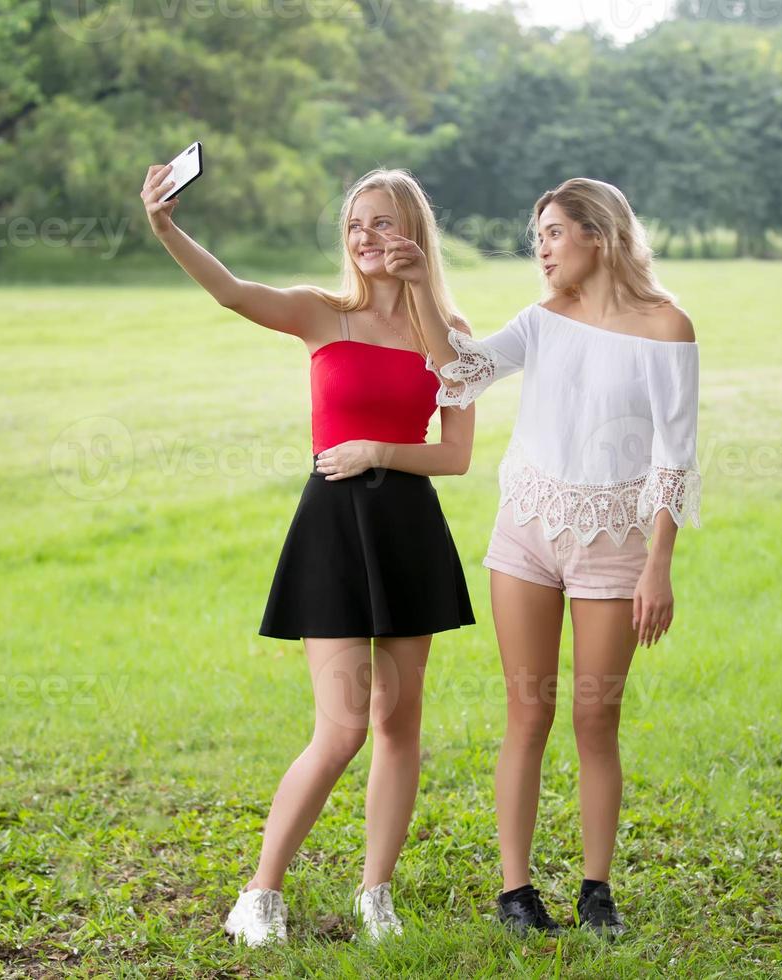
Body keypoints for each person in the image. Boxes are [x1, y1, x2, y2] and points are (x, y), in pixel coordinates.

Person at [139, 164, 476, 946]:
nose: (366, 236)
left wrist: (377, 451)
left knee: (400, 724)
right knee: (343, 726)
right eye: (356, 223)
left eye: (384, 222)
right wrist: (164, 226)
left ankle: (375, 894)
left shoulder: (450, 335)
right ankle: (259, 894)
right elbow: (230, 290)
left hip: (406, 530)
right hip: (331, 529)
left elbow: (454, 455)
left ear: (414, 234)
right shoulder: (321, 313)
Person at [378, 177, 701, 939]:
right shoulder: (541, 320)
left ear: (599, 234)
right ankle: (515, 893)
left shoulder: (666, 326)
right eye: (537, 239)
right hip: (526, 530)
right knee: (527, 709)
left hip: (615, 544)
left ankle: (596, 891)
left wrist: (658, 565)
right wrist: (422, 286)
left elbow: (674, 458)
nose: (542, 251)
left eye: (553, 234)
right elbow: (460, 370)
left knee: (596, 715)